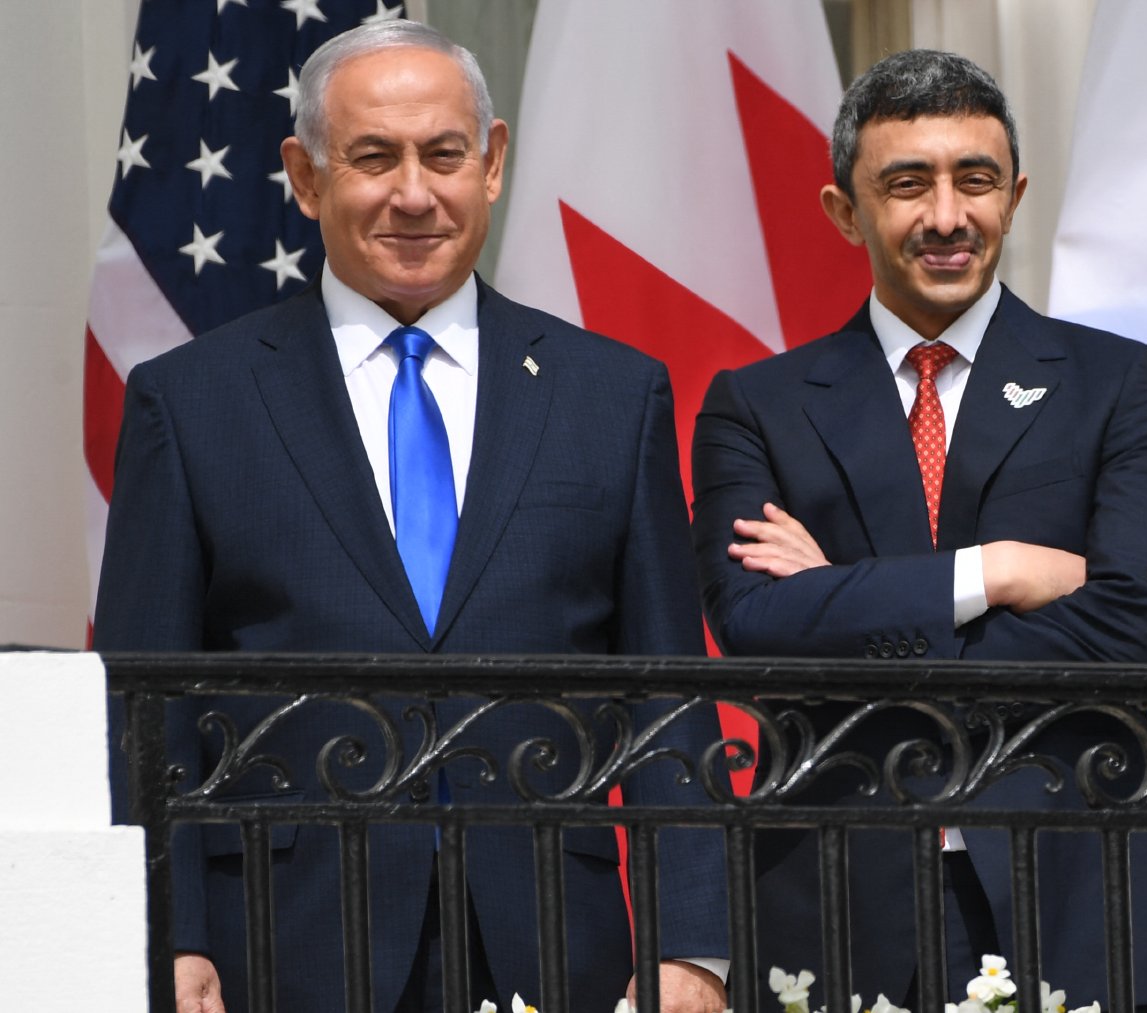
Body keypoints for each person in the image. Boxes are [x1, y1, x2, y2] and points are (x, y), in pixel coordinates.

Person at [94, 21, 726, 1013]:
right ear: (305, 177)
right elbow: (143, 703)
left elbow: (667, 689)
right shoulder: (191, 401)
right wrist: (165, 933)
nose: (416, 194)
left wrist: (696, 945)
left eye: (444, 154)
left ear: (494, 162)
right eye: (374, 158)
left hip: (550, 937)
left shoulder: (610, 394)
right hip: (283, 937)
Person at [689, 49, 1147, 1011]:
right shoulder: (755, 405)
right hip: (836, 895)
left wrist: (841, 594)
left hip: (1082, 885)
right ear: (846, 211)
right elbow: (753, 622)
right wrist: (992, 570)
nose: (947, 217)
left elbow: (1139, 627)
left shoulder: (1119, 383)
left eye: (975, 180)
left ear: (1014, 194)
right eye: (907, 184)